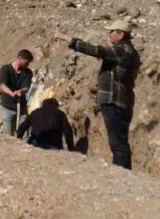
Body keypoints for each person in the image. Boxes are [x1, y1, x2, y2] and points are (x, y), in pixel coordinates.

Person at [54, 19, 141, 169]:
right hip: (122, 100)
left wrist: (66, 37)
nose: (109, 34)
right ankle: (123, 172)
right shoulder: (127, 51)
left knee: (118, 143)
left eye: (111, 31)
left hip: (114, 100)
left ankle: (121, 174)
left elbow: (96, 50)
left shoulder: (123, 50)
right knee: (120, 141)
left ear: (120, 34)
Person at [0, 49, 34, 135]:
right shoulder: (5, 69)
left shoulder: (28, 73)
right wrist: (12, 94)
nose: (28, 64)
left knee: (24, 134)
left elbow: (26, 87)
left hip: (22, 109)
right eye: (27, 62)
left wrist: (21, 91)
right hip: (7, 108)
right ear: (20, 58)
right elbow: (3, 86)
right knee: (8, 135)